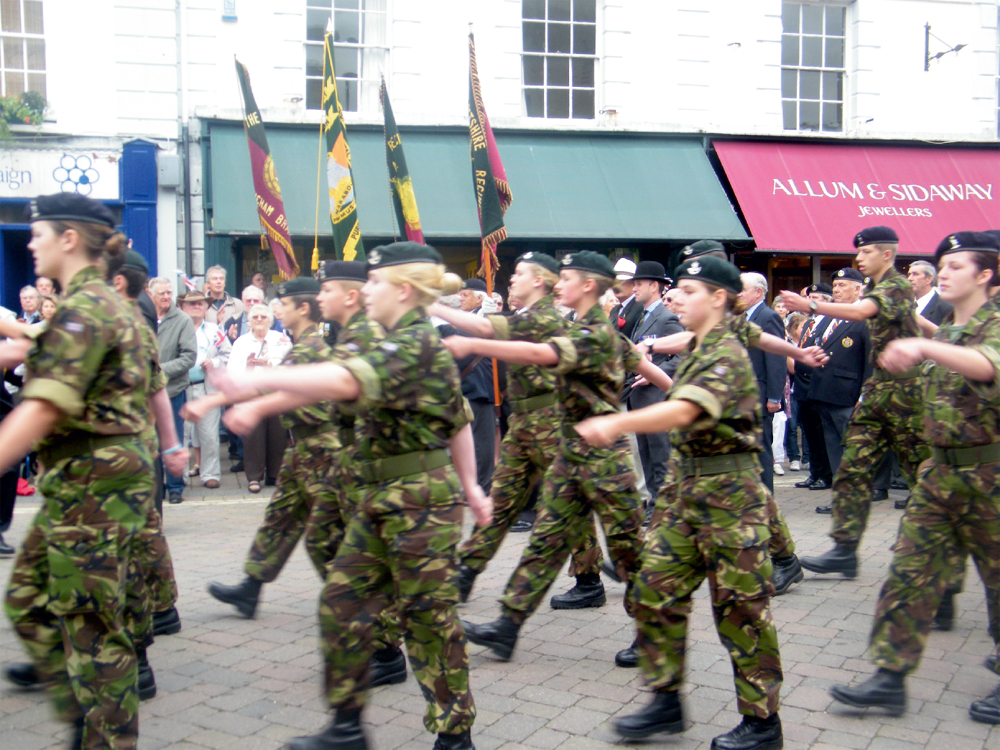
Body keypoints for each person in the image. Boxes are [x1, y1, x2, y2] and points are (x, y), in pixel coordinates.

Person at [209, 241, 491, 750]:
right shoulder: (395, 339)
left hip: (421, 502)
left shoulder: (412, 343)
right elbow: (456, 422)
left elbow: (345, 379)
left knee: (428, 621)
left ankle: (455, 734)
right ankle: (347, 726)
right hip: (379, 496)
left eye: (376, 283)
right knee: (340, 600)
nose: (367, 291)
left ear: (402, 291)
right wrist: (472, 486)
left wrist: (254, 381)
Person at [0, 192, 186, 750]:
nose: (29, 244)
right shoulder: (104, 307)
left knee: (92, 631)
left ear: (69, 239)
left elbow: (42, 408)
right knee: (30, 599)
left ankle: (102, 732)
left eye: (37, 233)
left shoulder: (88, 311)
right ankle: (87, 715)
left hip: (94, 488)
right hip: (91, 484)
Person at [574, 255, 784, 750]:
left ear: (718, 298)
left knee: (741, 611)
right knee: (653, 589)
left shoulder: (726, 353)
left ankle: (762, 724)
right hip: (685, 495)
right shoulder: (702, 344)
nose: (675, 298)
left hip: (730, 499)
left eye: (687, 291)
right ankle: (665, 698)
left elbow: (688, 410)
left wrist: (616, 424)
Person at [447, 251, 673, 663]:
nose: (558, 284)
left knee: (629, 552)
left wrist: (471, 342)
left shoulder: (593, 334)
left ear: (588, 285)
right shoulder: (591, 329)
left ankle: (654, 635)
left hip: (604, 461)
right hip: (571, 453)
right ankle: (507, 625)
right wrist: (675, 393)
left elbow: (541, 354)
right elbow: (647, 366)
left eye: (565, 278)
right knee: (545, 542)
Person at [827, 231, 1000, 727]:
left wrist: (925, 347)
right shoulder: (946, 331)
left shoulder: (989, 328)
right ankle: (889, 676)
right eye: (940, 264)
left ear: (985, 275)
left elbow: (986, 366)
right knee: (908, 572)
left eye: (956, 266)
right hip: (939, 475)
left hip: (990, 477)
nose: (942, 272)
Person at [430, 252, 602, 607]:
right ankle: (465, 572)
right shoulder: (528, 316)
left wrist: (432, 305)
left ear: (539, 280)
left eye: (519, 273)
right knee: (501, 499)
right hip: (525, 423)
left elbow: (481, 329)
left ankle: (588, 579)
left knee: (566, 503)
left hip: (551, 423)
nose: (511, 279)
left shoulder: (545, 319)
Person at [783, 226, 931, 579]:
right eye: (858, 252)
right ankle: (845, 548)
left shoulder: (894, 285)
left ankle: (935, 564)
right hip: (880, 391)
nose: (859, 258)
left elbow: (863, 311)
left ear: (886, 254)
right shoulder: (885, 290)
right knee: (852, 464)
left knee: (923, 478)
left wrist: (811, 304)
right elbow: (915, 322)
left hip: (906, 395)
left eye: (866, 252)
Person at [189, 278, 341, 619]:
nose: (277, 311)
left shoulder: (310, 348)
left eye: (284, 306)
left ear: (303, 309)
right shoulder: (299, 346)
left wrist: (218, 398)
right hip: (303, 448)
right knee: (279, 519)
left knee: (328, 536)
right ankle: (251, 587)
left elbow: (269, 387)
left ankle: (357, 603)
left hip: (322, 449)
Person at [806, 268, 871, 515]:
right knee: (834, 449)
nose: (837, 290)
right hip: (825, 392)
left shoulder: (864, 319)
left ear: (858, 289)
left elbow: (869, 361)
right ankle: (841, 498)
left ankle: (854, 500)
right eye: (835, 285)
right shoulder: (829, 317)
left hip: (848, 395)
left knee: (851, 452)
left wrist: (865, 395)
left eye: (843, 285)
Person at [625, 260, 684, 515]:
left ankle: (663, 503)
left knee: (660, 453)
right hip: (639, 397)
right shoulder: (641, 316)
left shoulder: (666, 318)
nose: (634, 288)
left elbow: (683, 355)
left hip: (657, 396)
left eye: (638, 284)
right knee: (646, 452)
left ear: (654, 285)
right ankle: (653, 499)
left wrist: (656, 374)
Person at [226, 303, 290, 492]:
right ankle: (254, 477)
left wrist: (271, 366)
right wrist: (248, 367)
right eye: (256, 317)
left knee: (277, 436)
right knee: (253, 437)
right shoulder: (241, 342)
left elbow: (292, 365)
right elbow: (232, 372)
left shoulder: (281, 339)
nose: (260, 320)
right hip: (250, 396)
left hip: (275, 394)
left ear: (270, 320)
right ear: (250, 321)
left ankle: (274, 475)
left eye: (263, 317)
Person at [150, 277, 197, 505]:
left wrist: (159, 370)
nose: (166, 297)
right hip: (146, 393)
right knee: (150, 441)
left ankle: (176, 486)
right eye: (162, 293)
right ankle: (156, 486)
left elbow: (188, 357)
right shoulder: (143, 318)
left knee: (174, 439)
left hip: (172, 391)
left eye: (169, 292)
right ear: (151, 295)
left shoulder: (183, 320)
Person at [738, 273, 786, 493]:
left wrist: (775, 396)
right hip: (742, 394)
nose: (738, 294)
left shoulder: (767, 317)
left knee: (761, 448)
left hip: (760, 393)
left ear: (758, 292)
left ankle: (766, 496)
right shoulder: (741, 316)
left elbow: (775, 357)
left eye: (742, 290)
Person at [180, 290, 228, 489]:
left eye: (200, 303)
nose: (196, 307)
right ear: (182, 307)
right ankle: (179, 477)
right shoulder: (176, 328)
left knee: (209, 435)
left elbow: (228, 355)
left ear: (206, 307)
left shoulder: (215, 330)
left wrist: (214, 362)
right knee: (181, 435)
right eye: (191, 304)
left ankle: (210, 474)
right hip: (181, 389)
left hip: (206, 389)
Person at [909, 259, 953, 325]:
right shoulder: (905, 304)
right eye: (909, 274)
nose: (910, 278)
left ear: (929, 279)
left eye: (915, 274)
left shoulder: (945, 308)